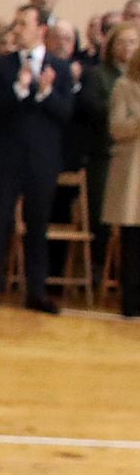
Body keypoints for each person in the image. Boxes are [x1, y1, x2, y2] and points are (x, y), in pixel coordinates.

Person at [0, 3, 75, 312]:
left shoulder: (58, 68)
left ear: (40, 29)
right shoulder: (2, 66)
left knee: (38, 225)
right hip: (7, 158)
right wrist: (18, 89)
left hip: (42, 160)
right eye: (15, 23)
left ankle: (36, 291)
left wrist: (45, 92)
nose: (16, 29)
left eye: (23, 24)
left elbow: (66, 113)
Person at [83, 21, 138, 271]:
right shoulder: (102, 76)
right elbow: (104, 118)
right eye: (123, 41)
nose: (129, 47)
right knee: (109, 222)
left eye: (133, 41)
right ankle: (100, 269)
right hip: (108, 156)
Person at [104, 40, 140, 318]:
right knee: (132, 239)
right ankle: (131, 301)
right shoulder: (124, 86)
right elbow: (117, 127)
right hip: (133, 173)